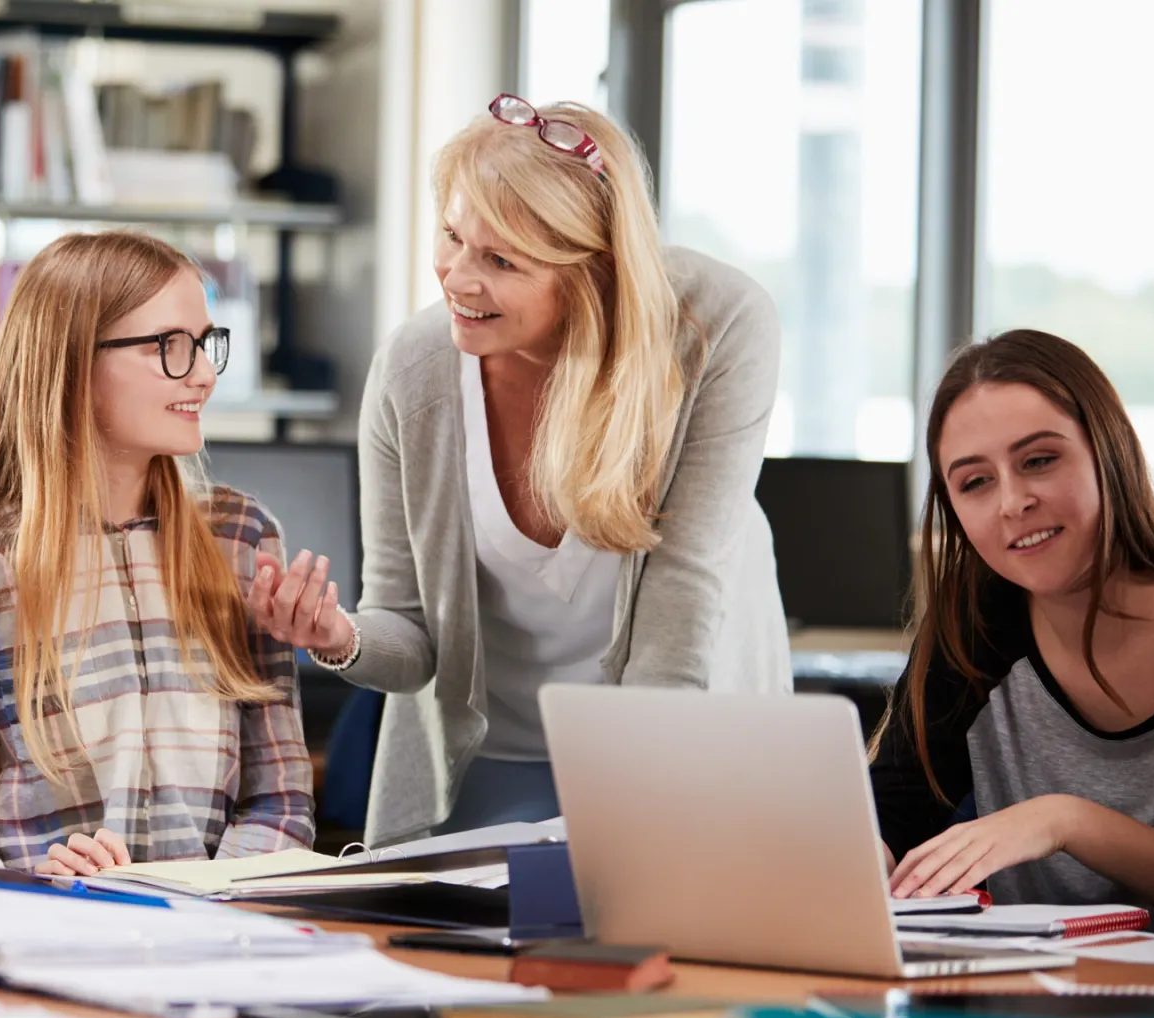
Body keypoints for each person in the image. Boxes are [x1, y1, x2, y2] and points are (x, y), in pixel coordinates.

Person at [247, 96, 790, 844]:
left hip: (677, 742)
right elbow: (407, 638)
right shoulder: (414, 368)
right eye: (452, 237)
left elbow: (682, 610)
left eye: (500, 261)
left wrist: (634, 827)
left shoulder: (716, 324)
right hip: (492, 755)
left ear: (593, 271)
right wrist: (336, 635)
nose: (457, 280)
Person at [0, 230, 314, 875]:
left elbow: (280, 802)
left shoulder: (241, 536)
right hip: (54, 937)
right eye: (170, 347)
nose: (203, 373)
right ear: (73, 363)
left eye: (206, 344)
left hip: (219, 934)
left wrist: (207, 897)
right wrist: (32, 885)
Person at [872, 330, 1154, 909]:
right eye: (975, 482)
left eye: (1039, 460)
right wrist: (852, 858)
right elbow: (894, 814)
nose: (1011, 502)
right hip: (1019, 994)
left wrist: (1065, 821)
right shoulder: (974, 632)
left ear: (1111, 451)